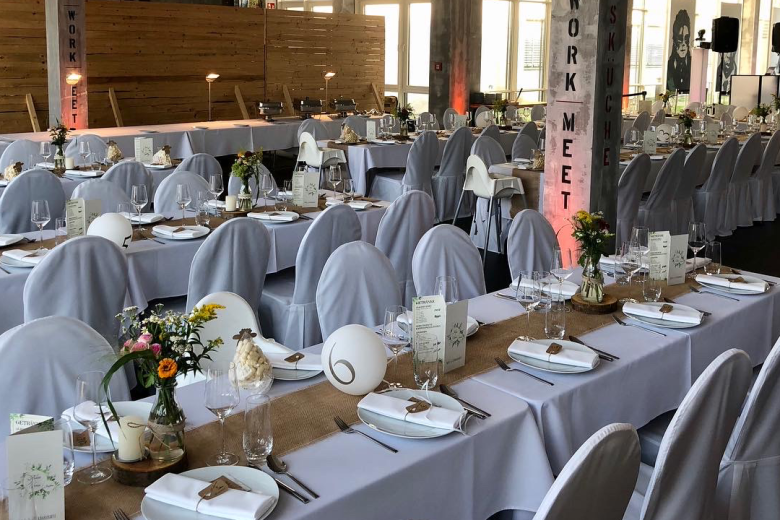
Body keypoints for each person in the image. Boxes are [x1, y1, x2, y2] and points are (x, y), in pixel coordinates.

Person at [667, 9, 691, 92]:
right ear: (674, 40)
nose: (683, 44)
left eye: (686, 38)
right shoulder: (669, 65)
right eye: (680, 39)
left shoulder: (693, 64)